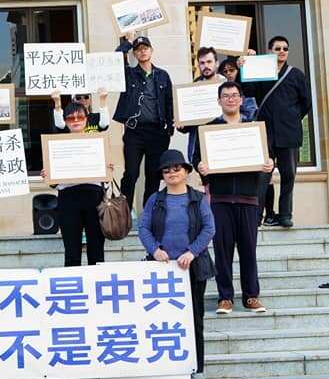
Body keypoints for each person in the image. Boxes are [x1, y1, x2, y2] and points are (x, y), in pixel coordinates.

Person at [194, 81, 275, 315]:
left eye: (234, 95)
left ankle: (251, 296)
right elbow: (197, 158)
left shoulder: (254, 128)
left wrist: (268, 165)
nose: (230, 99)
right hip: (220, 199)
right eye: (225, 96)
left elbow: (266, 157)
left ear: (241, 99)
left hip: (248, 198)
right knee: (222, 250)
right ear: (219, 101)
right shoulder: (209, 129)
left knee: (249, 249)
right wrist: (202, 168)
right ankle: (225, 297)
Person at [137, 149, 216, 379]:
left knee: (195, 318)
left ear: (186, 172)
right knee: (160, 319)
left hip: (192, 267)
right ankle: (164, 365)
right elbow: (143, 228)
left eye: (177, 169)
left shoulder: (198, 198)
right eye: (167, 170)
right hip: (162, 269)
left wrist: (192, 252)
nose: (172, 173)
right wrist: (155, 250)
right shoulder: (155, 199)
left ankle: (196, 366)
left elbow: (209, 229)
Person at [240, 36, 311, 228]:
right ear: (270, 51)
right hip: (265, 133)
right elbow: (247, 90)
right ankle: (256, 216)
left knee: (288, 176)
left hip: (289, 134)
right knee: (261, 177)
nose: (281, 51)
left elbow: (306, 103)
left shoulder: (296, 74)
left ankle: (285, 215)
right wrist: (243, 67)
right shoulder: (261, 71)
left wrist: (292, 118)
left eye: (285, 48)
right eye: (277, 48)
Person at [42, 102, 114, 267]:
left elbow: (106, 175)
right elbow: (53, 183)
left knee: (96, 247)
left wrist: (108, 168)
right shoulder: (56, 145)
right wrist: (47, 176)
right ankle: (74, 287)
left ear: (87, 119)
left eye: (80, 117)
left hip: (94, 196)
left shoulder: (97, 142)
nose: (75, 121)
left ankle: (97, 285)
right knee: (71, 247)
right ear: (65, 121)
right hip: (68, 197)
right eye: (70, 118)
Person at [114, 35, 174, 213]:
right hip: (135, 131)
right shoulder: (129, 74)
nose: (142, 51)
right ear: (135, 52)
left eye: (145, 47)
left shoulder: (162, 75)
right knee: (131, 173)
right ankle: (123, 213)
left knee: (153, 176)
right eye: (138, 48)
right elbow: (116, 59)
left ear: (151, 50)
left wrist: (170, 128)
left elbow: (170, 102)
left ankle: (149, 215)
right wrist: (127, 42)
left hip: (157, 132)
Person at [178, 47, 224, 165]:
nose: (206, 66)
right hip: (200, 146)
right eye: (202, 63)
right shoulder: (192, 88)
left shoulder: (228, 85)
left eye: (209, 62)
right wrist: (181, 124)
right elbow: (188, 125)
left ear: (216, 63)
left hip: (224, 140)